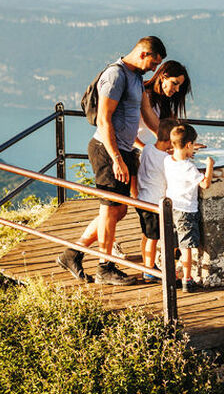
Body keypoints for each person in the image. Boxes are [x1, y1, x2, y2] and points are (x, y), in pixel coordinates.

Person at [56, 36, 166, 285]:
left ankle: (71, 253)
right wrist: (116, 158)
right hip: (107, 151)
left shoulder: (136, 77)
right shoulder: (115, 76)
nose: (154, 69)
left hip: (123, 151)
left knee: (119, 209)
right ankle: (105, 267)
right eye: (153, 63)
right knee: (109, 208)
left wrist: (174, 143)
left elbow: (148, 115)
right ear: (143, 53)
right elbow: (104, 120)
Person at [164, 123, 213, 293]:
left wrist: (187, 151)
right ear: (188, 145)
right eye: (192, 145)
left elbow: (177, 155)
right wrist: (209, 165)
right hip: (186, 210)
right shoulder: (189, 168)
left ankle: (170, 273)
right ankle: (187, 279)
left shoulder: (168, 160)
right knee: (186, 247)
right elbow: (205, 184)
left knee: (173, 243)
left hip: (171, 207)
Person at [135, 117, 179, 283]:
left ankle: (147, 264)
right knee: (154, 239)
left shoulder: (146, 149)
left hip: (141, 199)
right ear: (169, 141)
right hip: (154, 204)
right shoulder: (166, 160)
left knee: (147, 235)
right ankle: (149, 270)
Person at [135, 60, 192, 148]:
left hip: (146, 150)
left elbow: (174, 130)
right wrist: (145, 150)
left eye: (179, 86)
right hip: (131, 151)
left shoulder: (163, 101)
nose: (177, 89)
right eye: (174, 83)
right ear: (163, 77)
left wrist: (188, 145)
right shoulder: (142, 95)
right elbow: (125, 131)